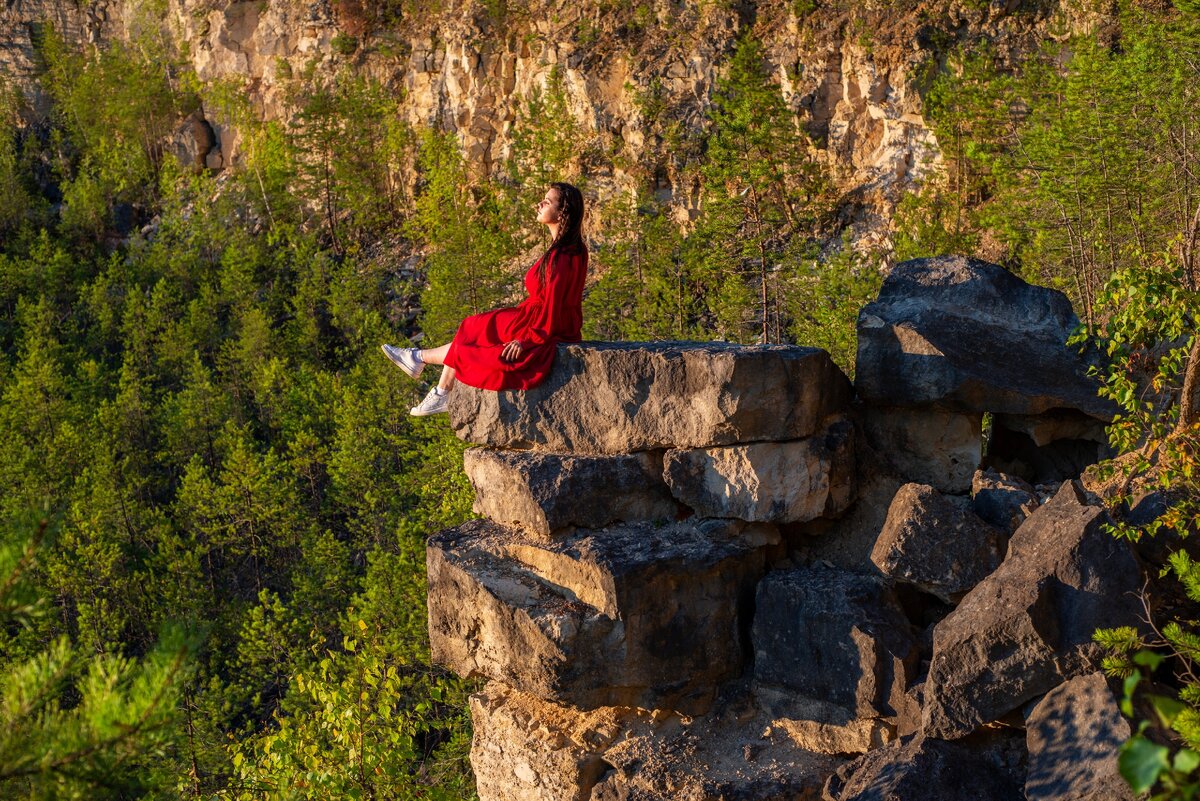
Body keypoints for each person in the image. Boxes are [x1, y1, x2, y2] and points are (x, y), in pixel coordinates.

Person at [381, 181, 588, 416]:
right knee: (472, 326)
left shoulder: (560, 256)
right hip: (543, 318)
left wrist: (527, 341)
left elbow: (553, 304)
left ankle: (423, 366)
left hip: (539, 322)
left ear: (562, 212)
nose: (539, 204)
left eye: (547, 201)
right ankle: (430, 377)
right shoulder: (573, 248)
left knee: (472, 336)